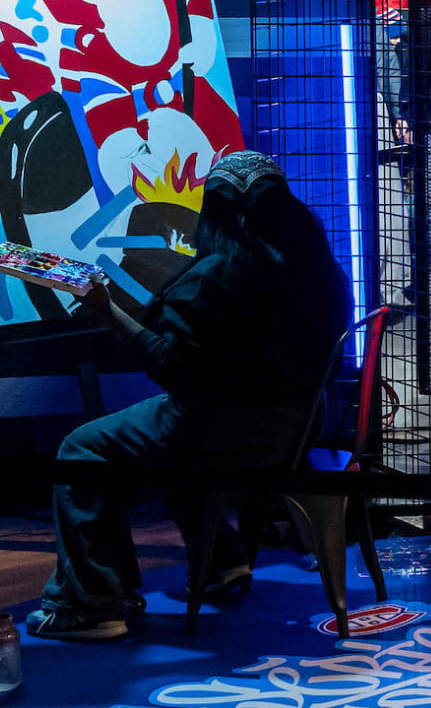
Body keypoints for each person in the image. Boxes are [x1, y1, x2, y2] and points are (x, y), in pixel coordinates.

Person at [26, 151, 353, 640]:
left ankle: (93, 606)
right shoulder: (320, 271)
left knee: (83, 448)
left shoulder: (214, 278)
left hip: (226, 437)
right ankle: (223, 560)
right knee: (174, 432)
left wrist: (107, 310)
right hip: (296, 431)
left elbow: (175, 373)